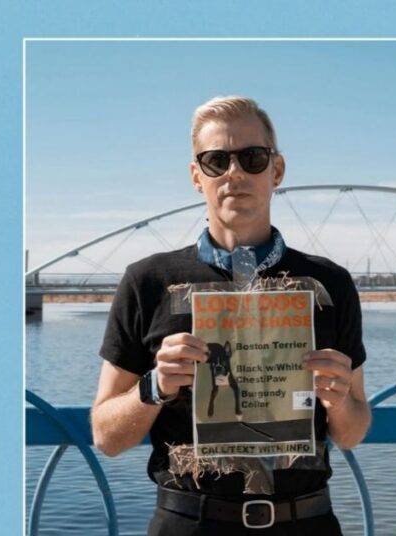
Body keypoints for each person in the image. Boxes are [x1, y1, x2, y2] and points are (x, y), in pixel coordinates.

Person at [91, 96, 370, 535]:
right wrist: (155, 386)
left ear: (277, 170)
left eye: (252, 158)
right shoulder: (147, 281)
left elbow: (352, 432)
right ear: (196, 176)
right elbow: (106, 438)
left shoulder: (329, 283)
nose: (234, 173)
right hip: (189, 522)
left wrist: (339, 399)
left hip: (306, 521)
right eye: (216, 160)